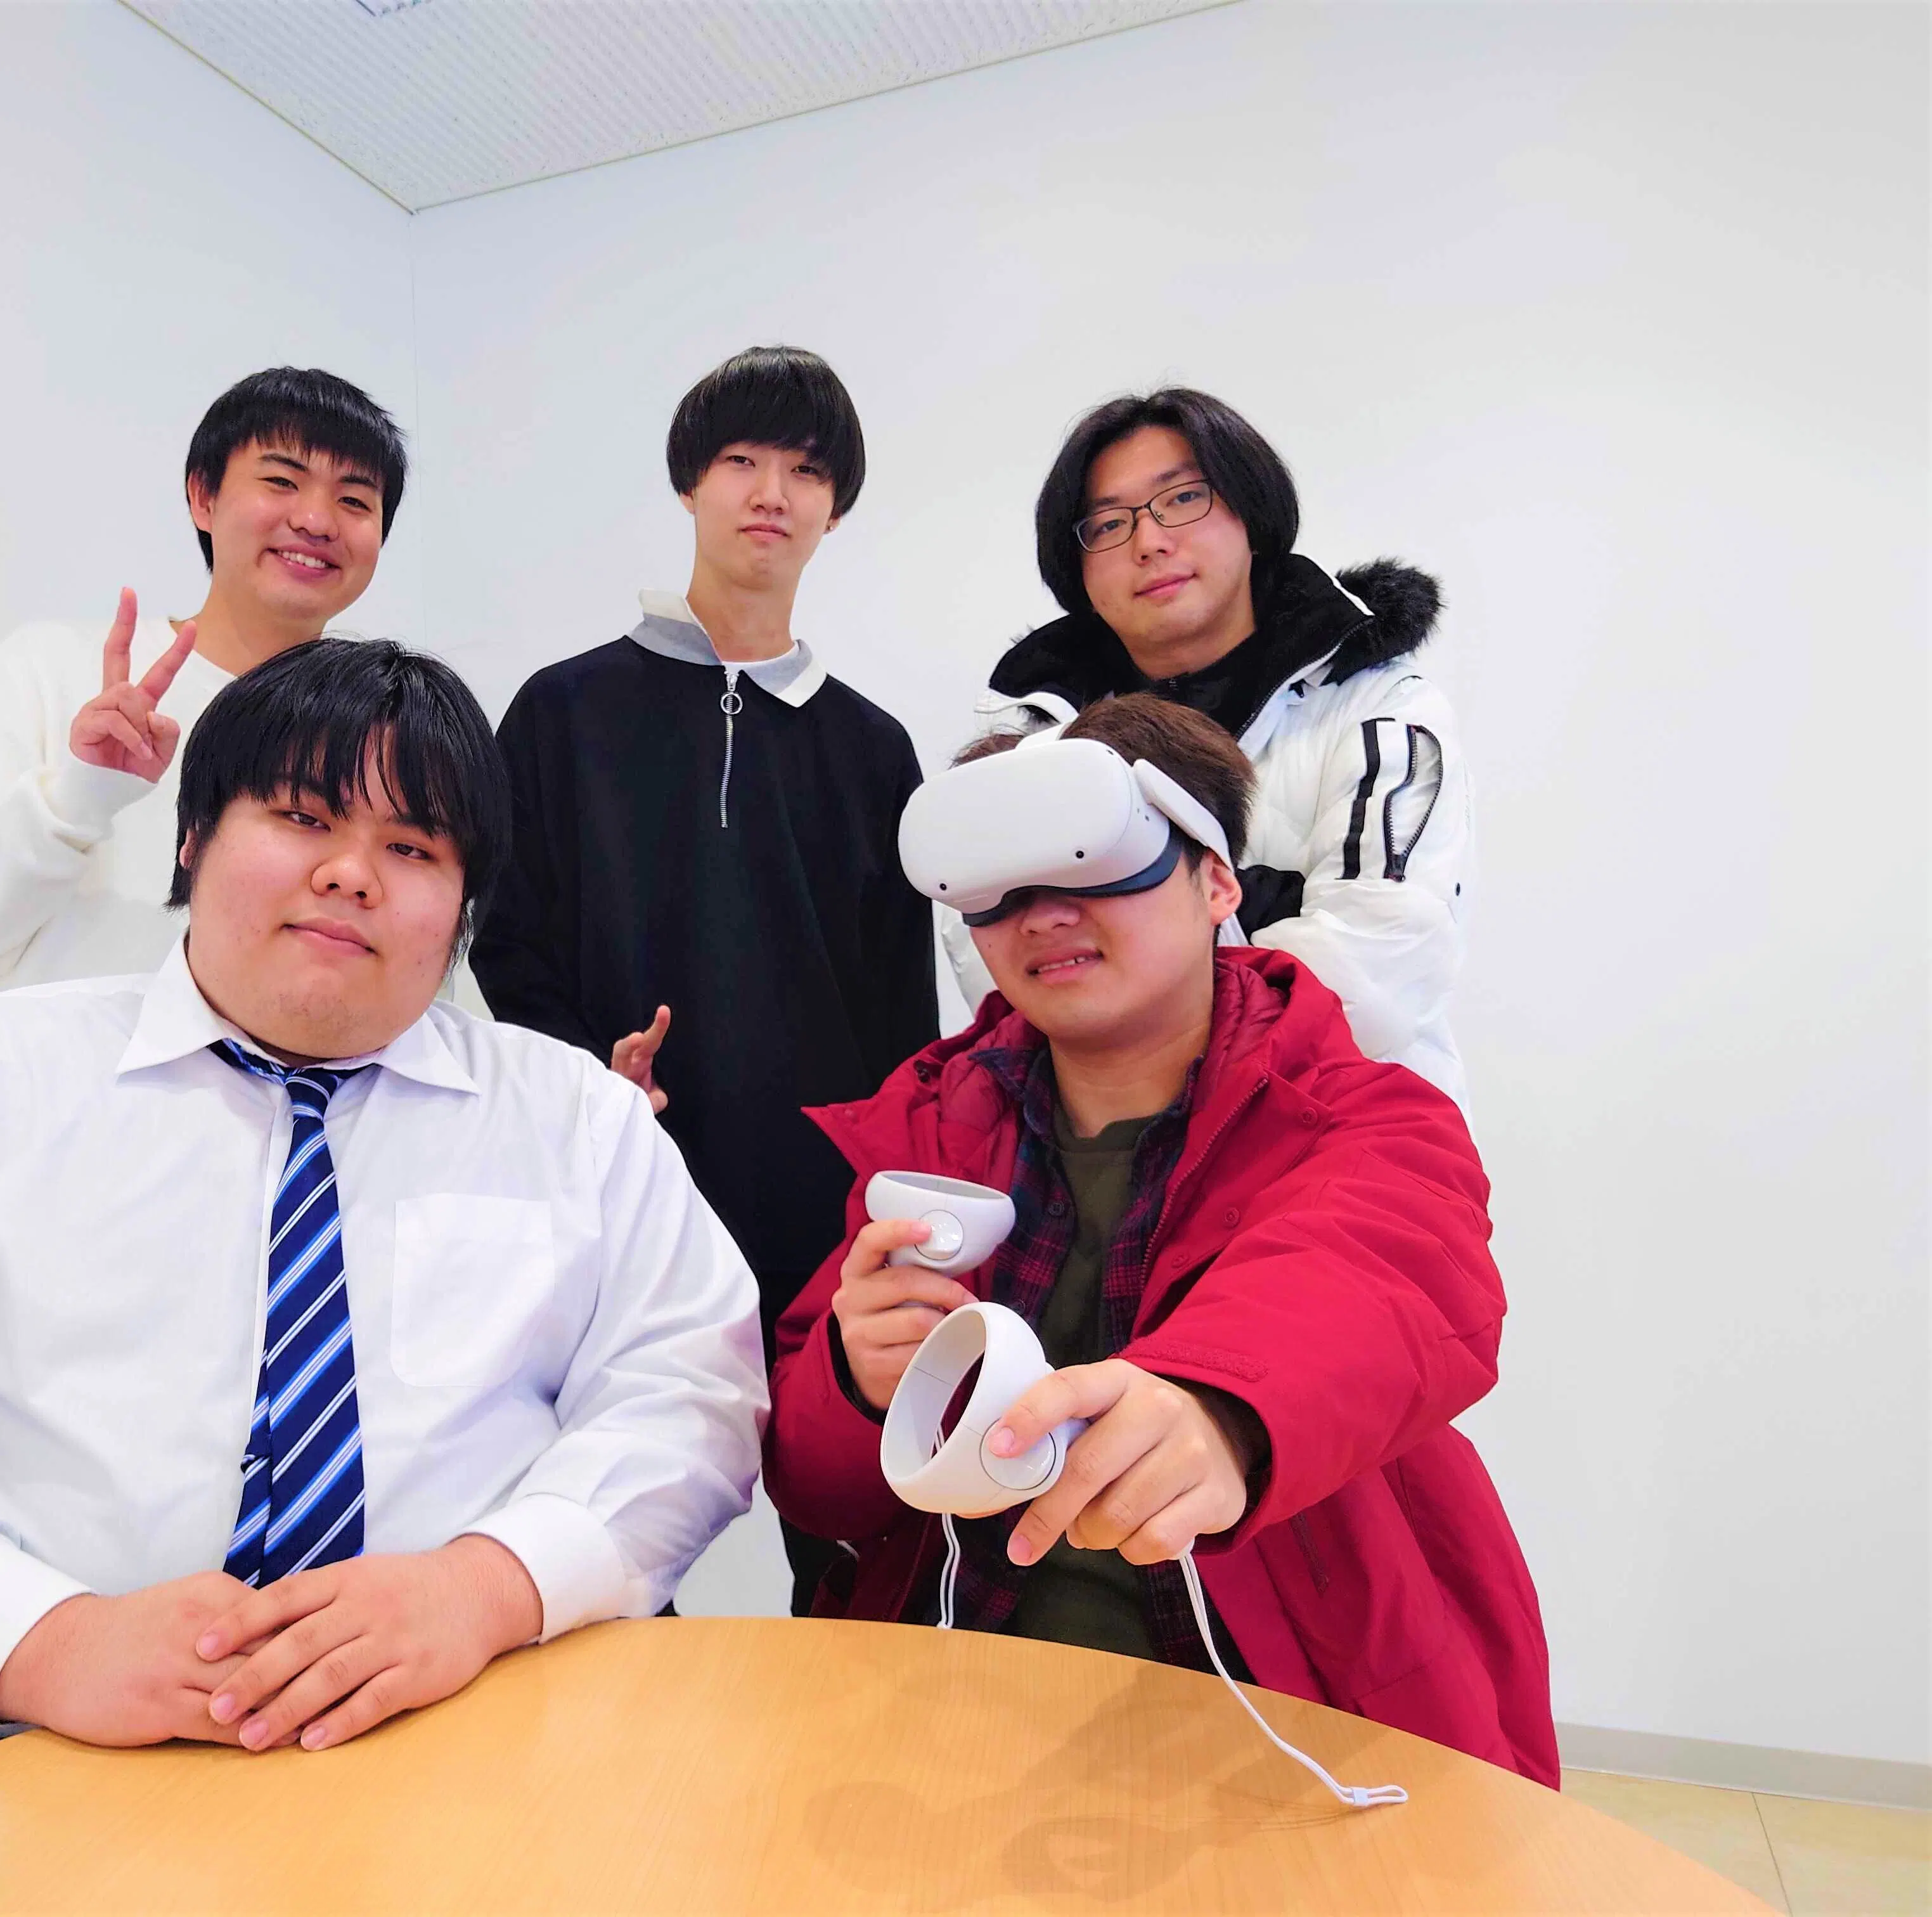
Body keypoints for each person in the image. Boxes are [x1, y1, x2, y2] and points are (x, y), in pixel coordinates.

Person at [0, 639, 767, 1821]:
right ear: (194, 836)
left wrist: (486, 1586)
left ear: (466, 904)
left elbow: (690, 1394)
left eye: (412, 848)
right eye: (302, 817)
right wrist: (44, 1641)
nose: (350, 873)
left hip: (488, 1717)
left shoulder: (579, 1121)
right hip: (32, 1736)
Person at [764, 695, 1554, 1785]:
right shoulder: (927, 1133)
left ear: (1217, 881)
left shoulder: (1361, 1115)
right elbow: (818, 1491)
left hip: (1287, 1717)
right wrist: (857, 1384)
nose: (1043, 915)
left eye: (1093, 859)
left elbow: (1381, 1272)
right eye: (998, 885)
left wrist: (1217, 1408)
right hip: (963, 1707)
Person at [469, 345, 938, 1613]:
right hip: (618, 1183)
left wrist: (890, 1192)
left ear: (835, 508)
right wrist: (591, 1074)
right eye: (740, 460)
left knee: (851, 1538)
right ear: (689, 484)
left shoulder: (873, 748)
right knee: (595, 1522)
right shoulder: (562, 713)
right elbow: (506, 941)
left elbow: (901, 1007)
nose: (770, 493)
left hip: (820, 1211)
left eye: (805, 470)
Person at [951, 389, 1474, 1106]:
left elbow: (1376, 972)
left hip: (1341, 1133)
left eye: (1183, 498)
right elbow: (1003, 986)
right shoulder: (1029, 751)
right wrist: (1253, 913)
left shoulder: (1381, 710)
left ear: (1251, 513)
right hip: (1107, 1151)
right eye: (1108, 523)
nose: (1149, 541)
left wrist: (1124, 964)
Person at [0, 366, 407, 984]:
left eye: (354, 500)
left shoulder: (384, 727)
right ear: (203, 497)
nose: (317, 521)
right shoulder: (53, 668)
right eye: (282, 481)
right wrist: (77, 794)